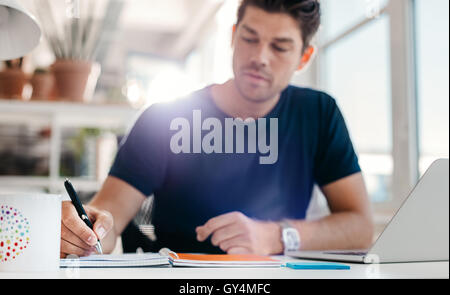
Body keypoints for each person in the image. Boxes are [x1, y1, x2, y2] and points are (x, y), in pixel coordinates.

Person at [60, 0, 374, 258]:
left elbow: (360, 227)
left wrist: (275, 236)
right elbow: (108, 218)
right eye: (249, 38)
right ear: (233, 36)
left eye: (279, 47)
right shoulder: (164, 119)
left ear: (304, 57)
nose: (259, 58)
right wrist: (86, 231)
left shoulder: (318, 114)